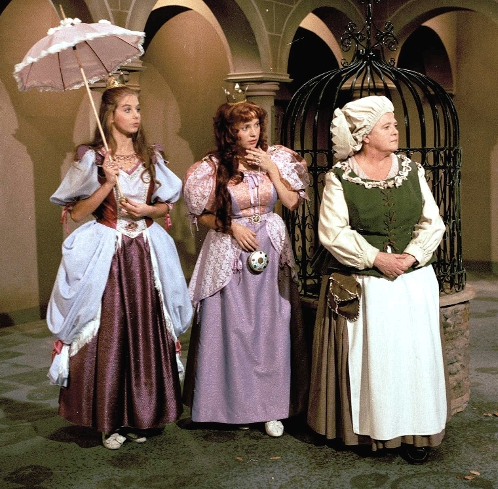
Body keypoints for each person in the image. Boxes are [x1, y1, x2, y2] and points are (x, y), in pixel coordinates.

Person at [46, 84, 193, 450]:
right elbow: (77, 213)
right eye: (127, 109)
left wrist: (148, 210)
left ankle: (142, 414)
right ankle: (108, 419)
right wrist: (107, 183)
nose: (136, 115)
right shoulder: (93, 158)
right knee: (110, 330)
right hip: (108, 253)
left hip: (144, 252)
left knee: (145, 329)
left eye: (138, 108)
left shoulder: (151, 155)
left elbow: (165, 205)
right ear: (109, 116)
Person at [307, 95, 449, 463]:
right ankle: (375, 430)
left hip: (413, 281)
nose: (396, 130)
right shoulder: (340, 177)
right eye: (387, 126)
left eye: (395, 124)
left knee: (414, 358)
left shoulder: (412, 171)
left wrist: (412, 255)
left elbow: (432, 222)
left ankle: (417, 433)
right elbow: (333, 231)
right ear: (366, 135)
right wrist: (375, 258)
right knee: (378, 360)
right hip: (367, 283)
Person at [182, 100, 310, 437]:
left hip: (271, 249)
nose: (252, 133)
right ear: (230, 132)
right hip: (231, 252)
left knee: (271, 327)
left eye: (255, 125)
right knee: (234, 329)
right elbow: (201, 215)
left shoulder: (275, 157)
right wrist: (231, 227)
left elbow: (292, 202)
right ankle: (230, 406)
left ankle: (272, 408)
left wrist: (271, 169)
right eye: (243, 127)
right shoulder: (212, 167)